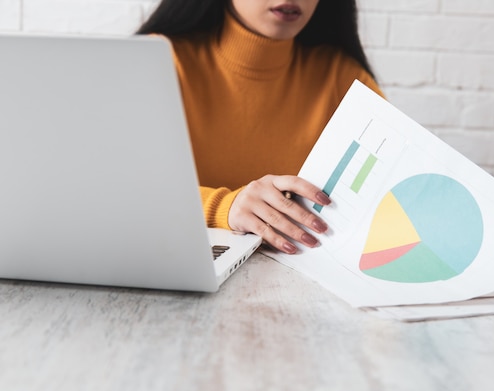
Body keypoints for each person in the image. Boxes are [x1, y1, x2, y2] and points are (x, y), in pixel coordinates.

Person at [137, 0, 383, 254]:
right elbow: (119, 191)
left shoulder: (341, 78)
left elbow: (392, 198)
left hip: (300, 284)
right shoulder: (157, 60)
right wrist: (222, 206)